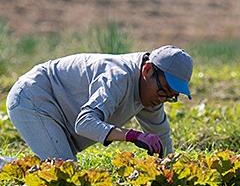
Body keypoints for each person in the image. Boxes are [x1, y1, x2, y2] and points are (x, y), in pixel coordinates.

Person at [6, 45, 193, 161]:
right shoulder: (117, 77)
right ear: (148, 70)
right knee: (63, 173)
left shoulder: (151, 94)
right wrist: (132, 136)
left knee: (50, 168)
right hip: (33, 97)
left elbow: (162, 136)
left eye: (171, 96)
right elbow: (85, 123)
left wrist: (171, 170)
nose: (163, 99)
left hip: (57, 109)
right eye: (164, 90)